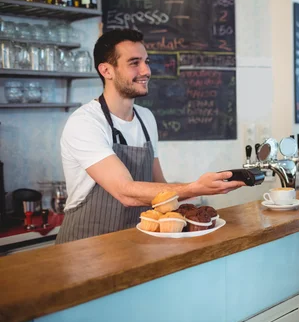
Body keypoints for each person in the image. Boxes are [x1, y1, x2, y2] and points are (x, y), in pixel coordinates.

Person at [57, 29, 245, 244]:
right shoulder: (86, 122)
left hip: (137, 243)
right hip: (86, 248)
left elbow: (161, 190)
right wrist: (194, 187)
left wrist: (199, 196)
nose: (146, 70)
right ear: (107, 70)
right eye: (134, 63)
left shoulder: (146, 118)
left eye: (146, 61)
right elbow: (125, 192)